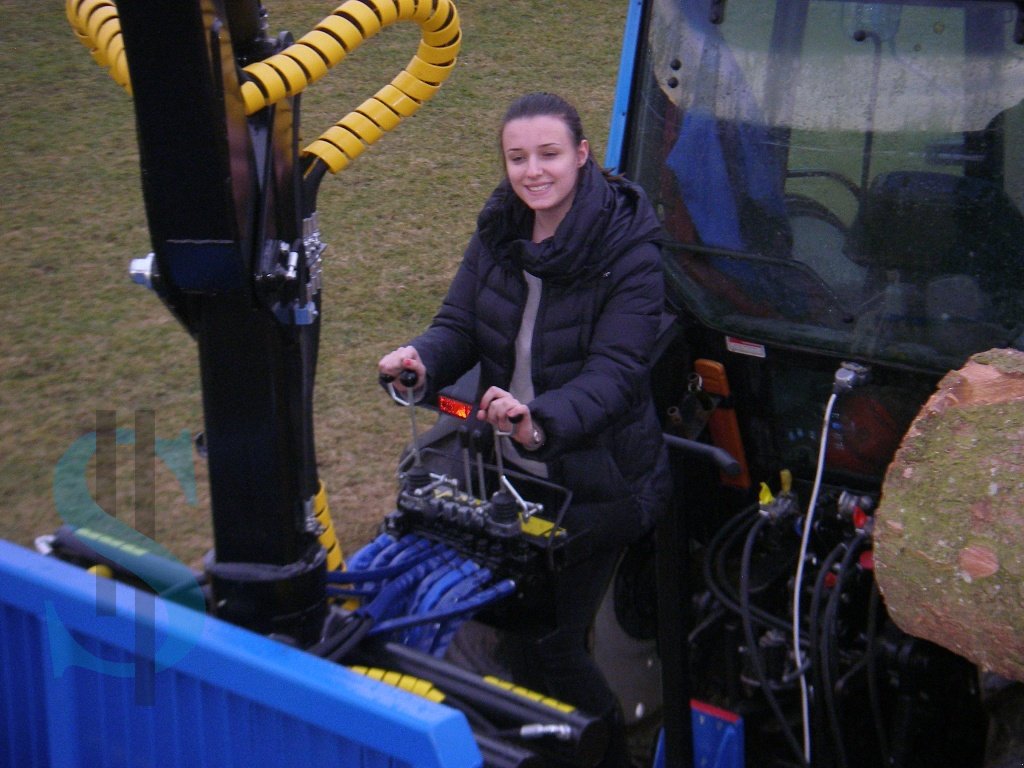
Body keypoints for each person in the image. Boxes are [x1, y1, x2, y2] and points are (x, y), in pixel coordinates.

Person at [378, 92, 671, 766]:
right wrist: (419, 361)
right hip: (512, 476)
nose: (533, 171)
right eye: (518, 158)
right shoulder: (501, 231)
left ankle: (604, 754)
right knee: (509, 629)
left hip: (602, 485)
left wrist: (539, 421)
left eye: (548, 154)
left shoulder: (629, 248)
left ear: (582, 154)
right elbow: (457, 325)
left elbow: (618, 371)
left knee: (550, 642)